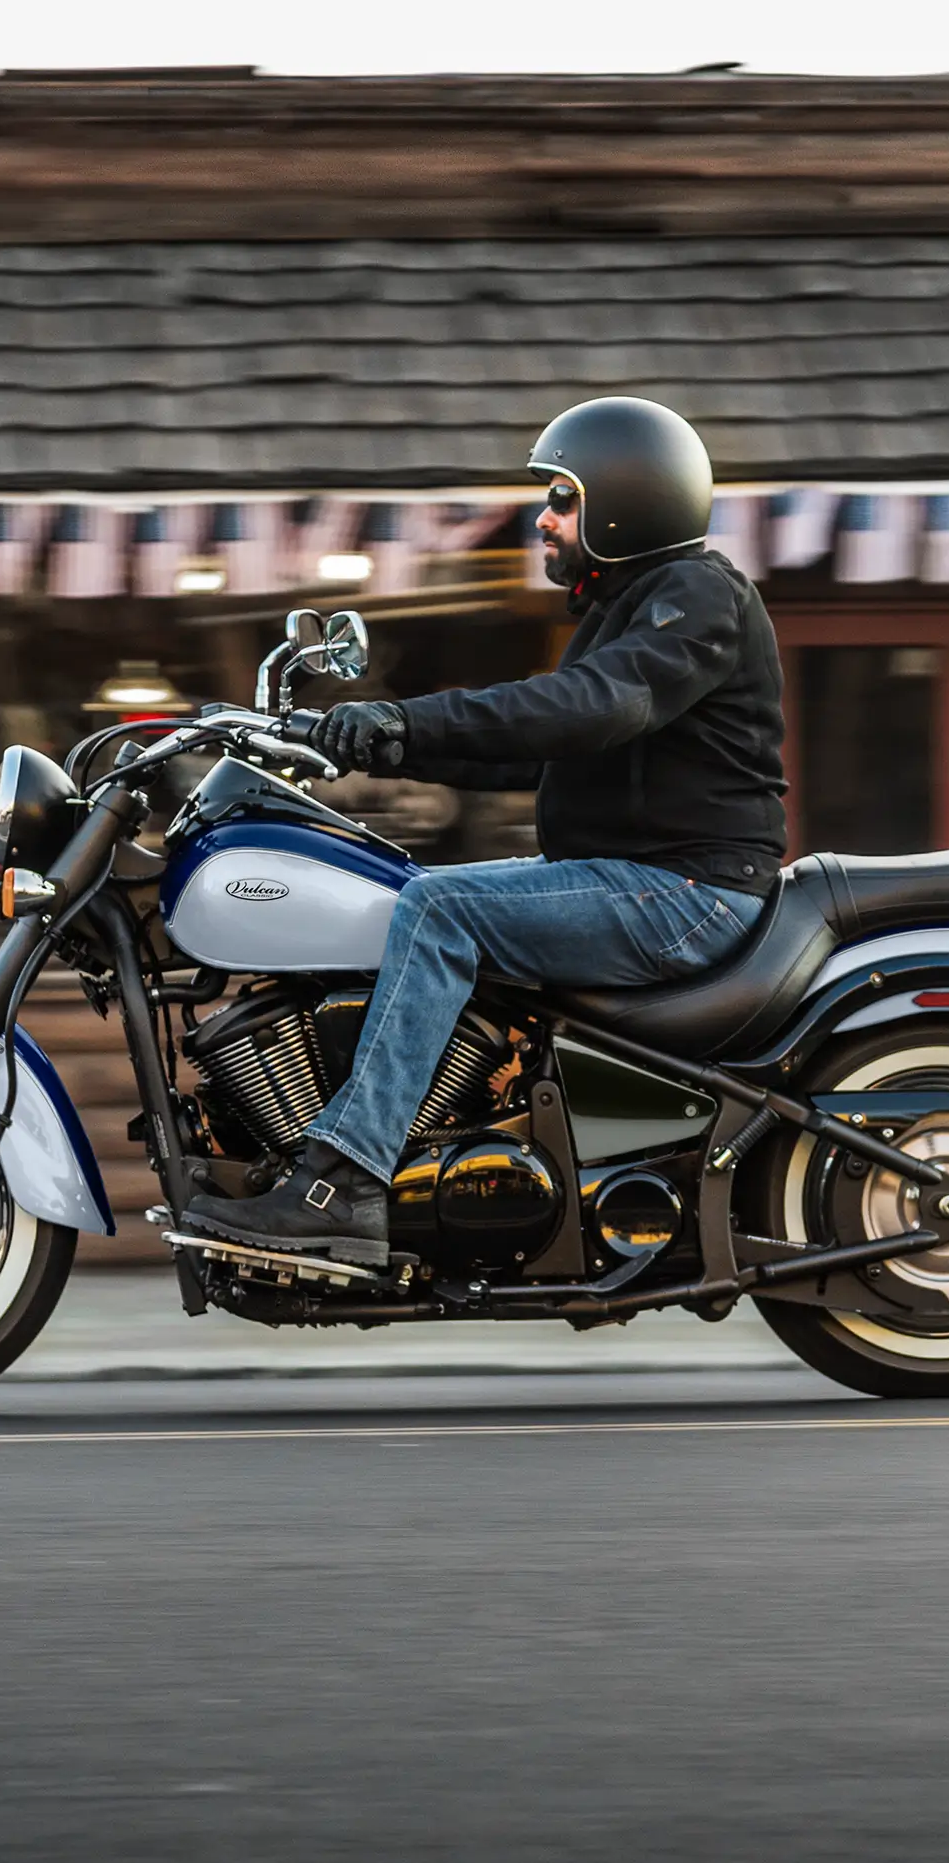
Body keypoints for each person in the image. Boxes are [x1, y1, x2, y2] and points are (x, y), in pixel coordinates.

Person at [180, 396, 785, 1268]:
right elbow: (538, 757)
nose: (543, 516)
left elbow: (589, 709)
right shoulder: (631, 609)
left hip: (685, 891)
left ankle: (341, 1188)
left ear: (627, 502)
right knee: (417, 886)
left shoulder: (694, 594)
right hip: (645, 879)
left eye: (563, 498)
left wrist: (403, 720)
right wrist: (357, 748)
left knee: (439, 909)